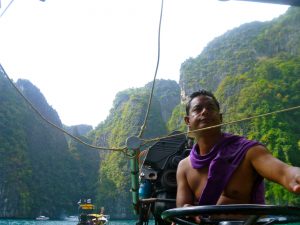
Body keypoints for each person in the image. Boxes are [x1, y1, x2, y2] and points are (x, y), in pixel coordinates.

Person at [176, 90, 300, 220]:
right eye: (198, 109)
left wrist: (295, 176)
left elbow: (285, 172)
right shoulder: (184, 167)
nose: (205, 111)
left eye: (211, 108)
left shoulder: (248, 151)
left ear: (221, 118)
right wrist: (187, 212)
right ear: (187, 121)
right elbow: (181, 212)